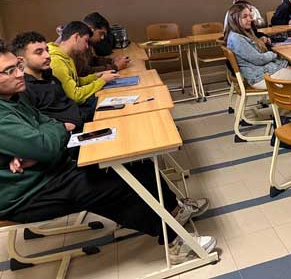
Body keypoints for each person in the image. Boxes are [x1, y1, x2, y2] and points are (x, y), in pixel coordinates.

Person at [0, 40, 215, 264]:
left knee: (135, 162)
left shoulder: (15, 97)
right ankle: (176, 242)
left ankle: (173, 211)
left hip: (50, 169)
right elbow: (47, 144)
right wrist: (48, 137)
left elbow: (49, 124)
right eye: (9, 71)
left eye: (17, 66)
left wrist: (42, 139)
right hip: (28, 193)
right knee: (118, 184)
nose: (19, 74)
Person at [11, 32, 92, 129]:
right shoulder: (24, 88)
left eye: (47, 50)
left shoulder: (50, 76)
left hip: (83, 119)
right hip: (69, 132)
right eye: (39, 52)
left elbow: (68, 105)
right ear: (21, 60)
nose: (47, 56)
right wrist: (65, 128)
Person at [225, 3, 291, 90]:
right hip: (260, 77)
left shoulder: (239, 35)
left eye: (250, 15)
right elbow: (259, 59)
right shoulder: (237, 39)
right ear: (234, 19)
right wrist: (273, 54)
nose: (250, 19)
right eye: (245, 17)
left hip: (263, 72)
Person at [49, 21, 119, 107]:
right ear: (76, 37)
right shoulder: (56, 61)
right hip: (74, 108)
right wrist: (102, 81)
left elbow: (75, 82)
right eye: (86, 41)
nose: (87, 46)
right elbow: (75, 96)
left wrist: (96, 76)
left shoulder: (66, 56)